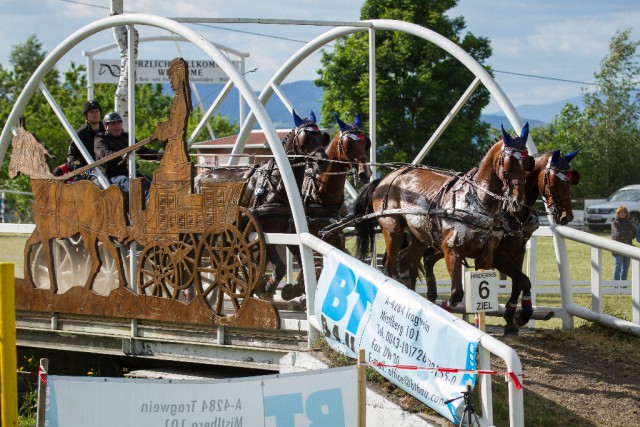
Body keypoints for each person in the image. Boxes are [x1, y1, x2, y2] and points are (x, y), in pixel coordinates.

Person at [94, 112, 162, 205]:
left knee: (144, 180)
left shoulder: (128, 137)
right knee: (125, 181)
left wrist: (159, 154)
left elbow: (143, 151)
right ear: (106, 126)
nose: (117, 126)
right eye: (113, 124)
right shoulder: (100, 139)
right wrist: (123, 155)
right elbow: (105, 154)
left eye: (118, 123)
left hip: (131, 172)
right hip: (113, 176)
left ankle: (160, 198)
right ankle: (149, 202)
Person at [53, 99, 105, 177]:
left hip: (102, 169)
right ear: (85, 116)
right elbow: (72, 155)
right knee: (57, 173)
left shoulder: (107, 131)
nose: (95, 114)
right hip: (83, 170)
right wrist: (79, 168)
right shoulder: (80, 133)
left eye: (97, 111)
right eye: (92, 112)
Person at [611, 205, 637, 280]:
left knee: (625, 269)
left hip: (628, 247)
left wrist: (625, 234)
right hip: (617, 249)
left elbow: (634, 234)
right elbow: (617, 234)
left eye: (624, 212)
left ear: (626, 213)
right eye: (620, 212)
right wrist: (628, 233)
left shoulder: (629, 223)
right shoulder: (614, 223)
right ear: (618, 213)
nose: (622, 214)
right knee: (618, 268)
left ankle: (623, 288)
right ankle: (615, 288)